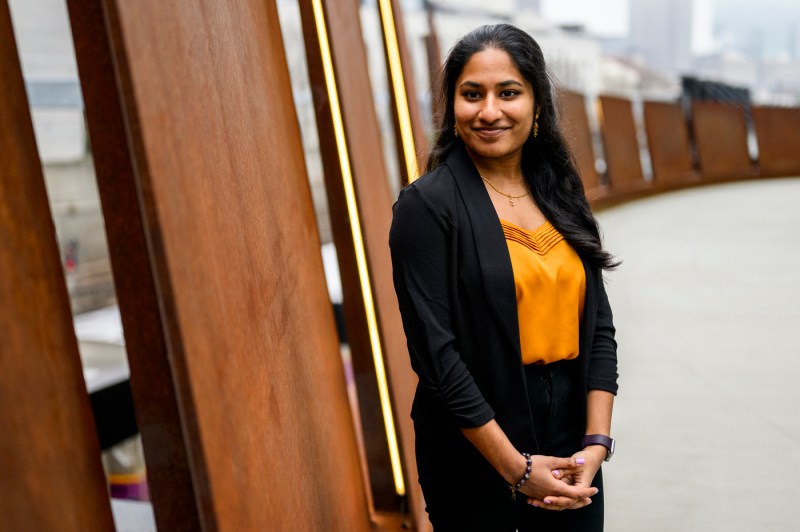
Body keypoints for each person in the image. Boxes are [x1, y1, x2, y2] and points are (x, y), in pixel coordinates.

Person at [389, 24, 619, 531]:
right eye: (472, 94)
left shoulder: (560, 192)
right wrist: (517, 469)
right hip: (476, 438)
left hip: (571, 435)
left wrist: (595, 443)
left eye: (508, 93)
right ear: (452, 105)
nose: (489, 111)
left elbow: (598, 327)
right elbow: (438, 360)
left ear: (537, 103)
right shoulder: (427, 207)